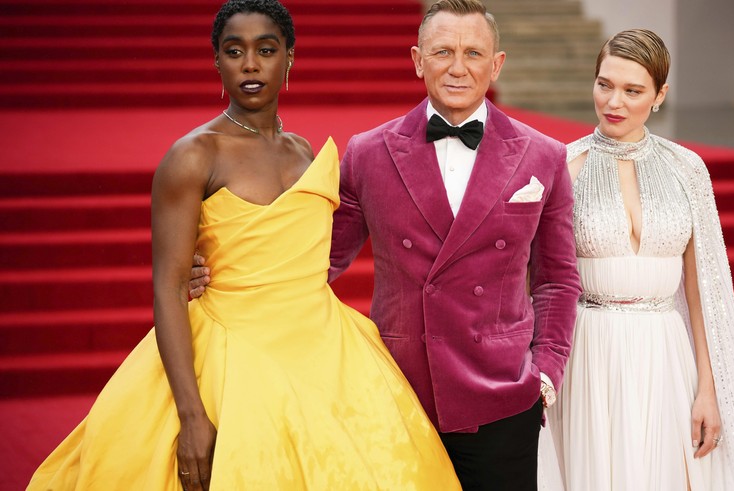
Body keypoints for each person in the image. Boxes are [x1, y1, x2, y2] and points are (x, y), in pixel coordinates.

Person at [27, 1, 461, 489]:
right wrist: (191, 416)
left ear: (289, 58)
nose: (251, 64)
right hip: (232, 358)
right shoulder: (192, 157)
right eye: (234, 51)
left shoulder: (304, 152)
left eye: (266, 50)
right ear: (217, 60)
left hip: (330, 354)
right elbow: (168, 290)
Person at [190, 0, 581, 488]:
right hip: (395, 393)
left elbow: (558, 279)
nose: (458, 68)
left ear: (496, 63)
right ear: (417, 60)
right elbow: (315, 258)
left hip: (501, 395)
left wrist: (545, 373)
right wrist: (222, 270)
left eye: (473, 53)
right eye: (442, 52)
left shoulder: (543, 155)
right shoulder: (369, 153)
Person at [539, 29, 734, 490]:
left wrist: (709, 388)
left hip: (666, 354)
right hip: (587, 352)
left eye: (633, 90)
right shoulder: (561, 167)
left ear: (660, 95)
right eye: (604, 84)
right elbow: (537, 282)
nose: (614, 102)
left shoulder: (687, 169)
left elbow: (703, 291)